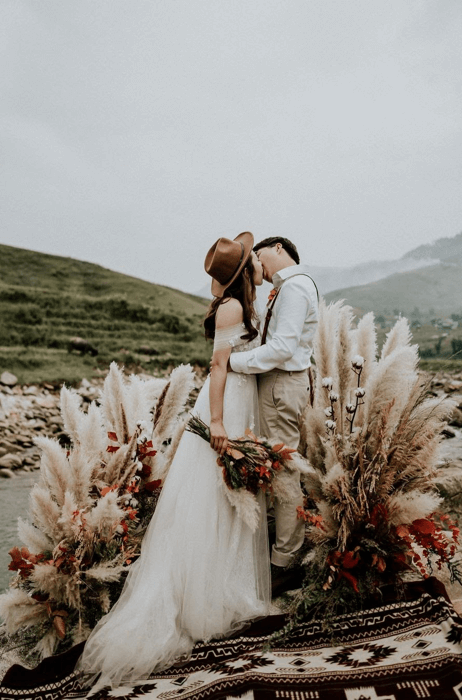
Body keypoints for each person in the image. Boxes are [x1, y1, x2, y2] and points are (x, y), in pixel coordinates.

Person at [77, 232, 271, 690]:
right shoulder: (232, 308)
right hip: (225, 403)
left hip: (244, 400)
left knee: (229, 496)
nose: (260, 262)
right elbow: (218, 367)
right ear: (245, 271)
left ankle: (224, 584)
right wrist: (218, 423)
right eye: (253, 260)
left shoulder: (247, 303)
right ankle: (203, 599)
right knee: (209, 494)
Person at [228, 236, 318, 595]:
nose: (256, 262)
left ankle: (285, 561)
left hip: (282, 383)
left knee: (283, 472)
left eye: (258, 254)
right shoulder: (287, 288)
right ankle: (282, 551)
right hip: (280, 384)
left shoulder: (295, 287)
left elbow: (281, 348)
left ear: (278, 248)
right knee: (280, 467)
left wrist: (232, 363)